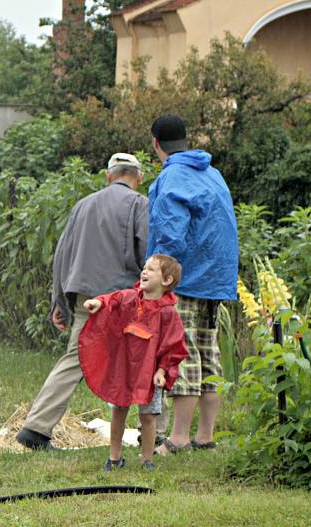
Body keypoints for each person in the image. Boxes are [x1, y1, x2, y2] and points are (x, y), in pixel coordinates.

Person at [16, 153, 149, 450]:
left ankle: (36, 427)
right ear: (138, 178)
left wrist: (59, 301)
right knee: (141, 359)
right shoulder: (140, 205)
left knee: (75, 359)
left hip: (85, 298)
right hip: (123, 299)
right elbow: (147, 254)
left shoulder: (83, 205)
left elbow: (62, 255)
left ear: (108, 175)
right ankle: (152, 431)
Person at [147, 115, 239, 455]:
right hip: (216, 281)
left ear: (156, 143)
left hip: (185, 280)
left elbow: (170, 231)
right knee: (208, 352)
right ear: (186, 141)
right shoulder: (213, 174)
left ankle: (180, 438)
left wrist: (161, 276)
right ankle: (206, 436)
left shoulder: (172, 176)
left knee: (180, 353)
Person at [80, 254, 189, 470]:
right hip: (124, 368)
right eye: (145, 268)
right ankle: (114, 457)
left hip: (148, 373)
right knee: (118, 411)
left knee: (148, 416)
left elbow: (173, 345)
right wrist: (98, 302)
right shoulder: (131, 299)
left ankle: (146, 459)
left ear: (166, 280)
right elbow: (115, 299)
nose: (144, 272)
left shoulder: (167, 313)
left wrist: (162, 370)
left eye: (151, 269)